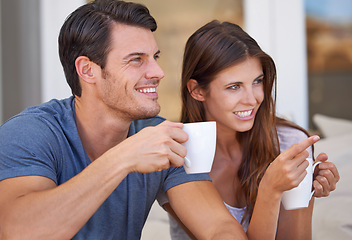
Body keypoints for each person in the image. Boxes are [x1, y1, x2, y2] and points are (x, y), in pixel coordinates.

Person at [0, 2, 252, 239]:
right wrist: (125, 158)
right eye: (136, 60)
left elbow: (219, 227)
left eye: (155, 57)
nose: (157, 73)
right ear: (88, 70)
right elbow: (18, 231)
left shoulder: (158, 135)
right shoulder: (30, 133)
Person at [160, 20, 340, 240]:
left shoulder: (289, 142)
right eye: (234, 87)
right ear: (197, 91)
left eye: (257, 81)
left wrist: (305, 193)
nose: (252, 99)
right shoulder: (177, 158)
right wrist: (270, 189)